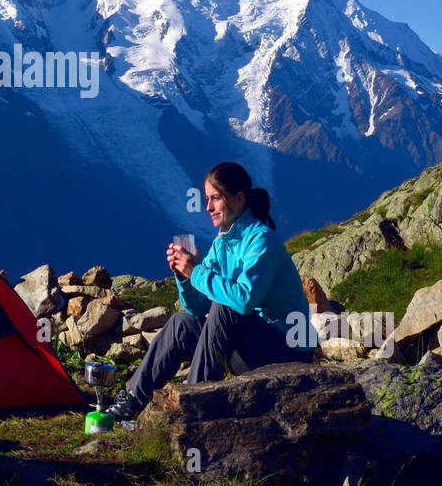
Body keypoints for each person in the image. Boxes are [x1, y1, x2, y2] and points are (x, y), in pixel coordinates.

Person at [105, 161, 315, 422]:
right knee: (183, 322)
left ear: (239, 198)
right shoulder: (221, 243)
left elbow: (243, 300)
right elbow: (197, 309)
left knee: (227, 306)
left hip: (287, 350)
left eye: (216, 198)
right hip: (250, 349)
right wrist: (184, 276)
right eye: (206, 199)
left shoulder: (262, 240)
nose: (208, 207)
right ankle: (133, 402)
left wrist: (196, 272)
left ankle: (189, 405)